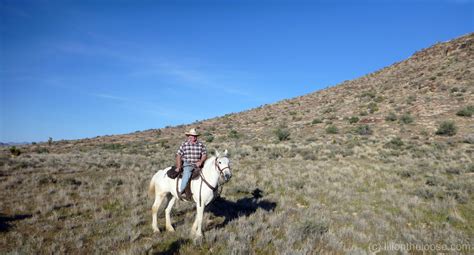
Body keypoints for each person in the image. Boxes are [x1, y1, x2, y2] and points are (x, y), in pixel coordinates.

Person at [175, 128, 207, 194]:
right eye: (192, 136)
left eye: (195, 136)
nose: (193, 137)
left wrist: (200, 161)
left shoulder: (201, 144)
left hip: (198, 164)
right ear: (189, 136)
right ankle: (181, 191)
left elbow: (204, 154)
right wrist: (178, 167)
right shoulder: (184, 144)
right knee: (187, 175)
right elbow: (178, 155)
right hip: (188, 164)